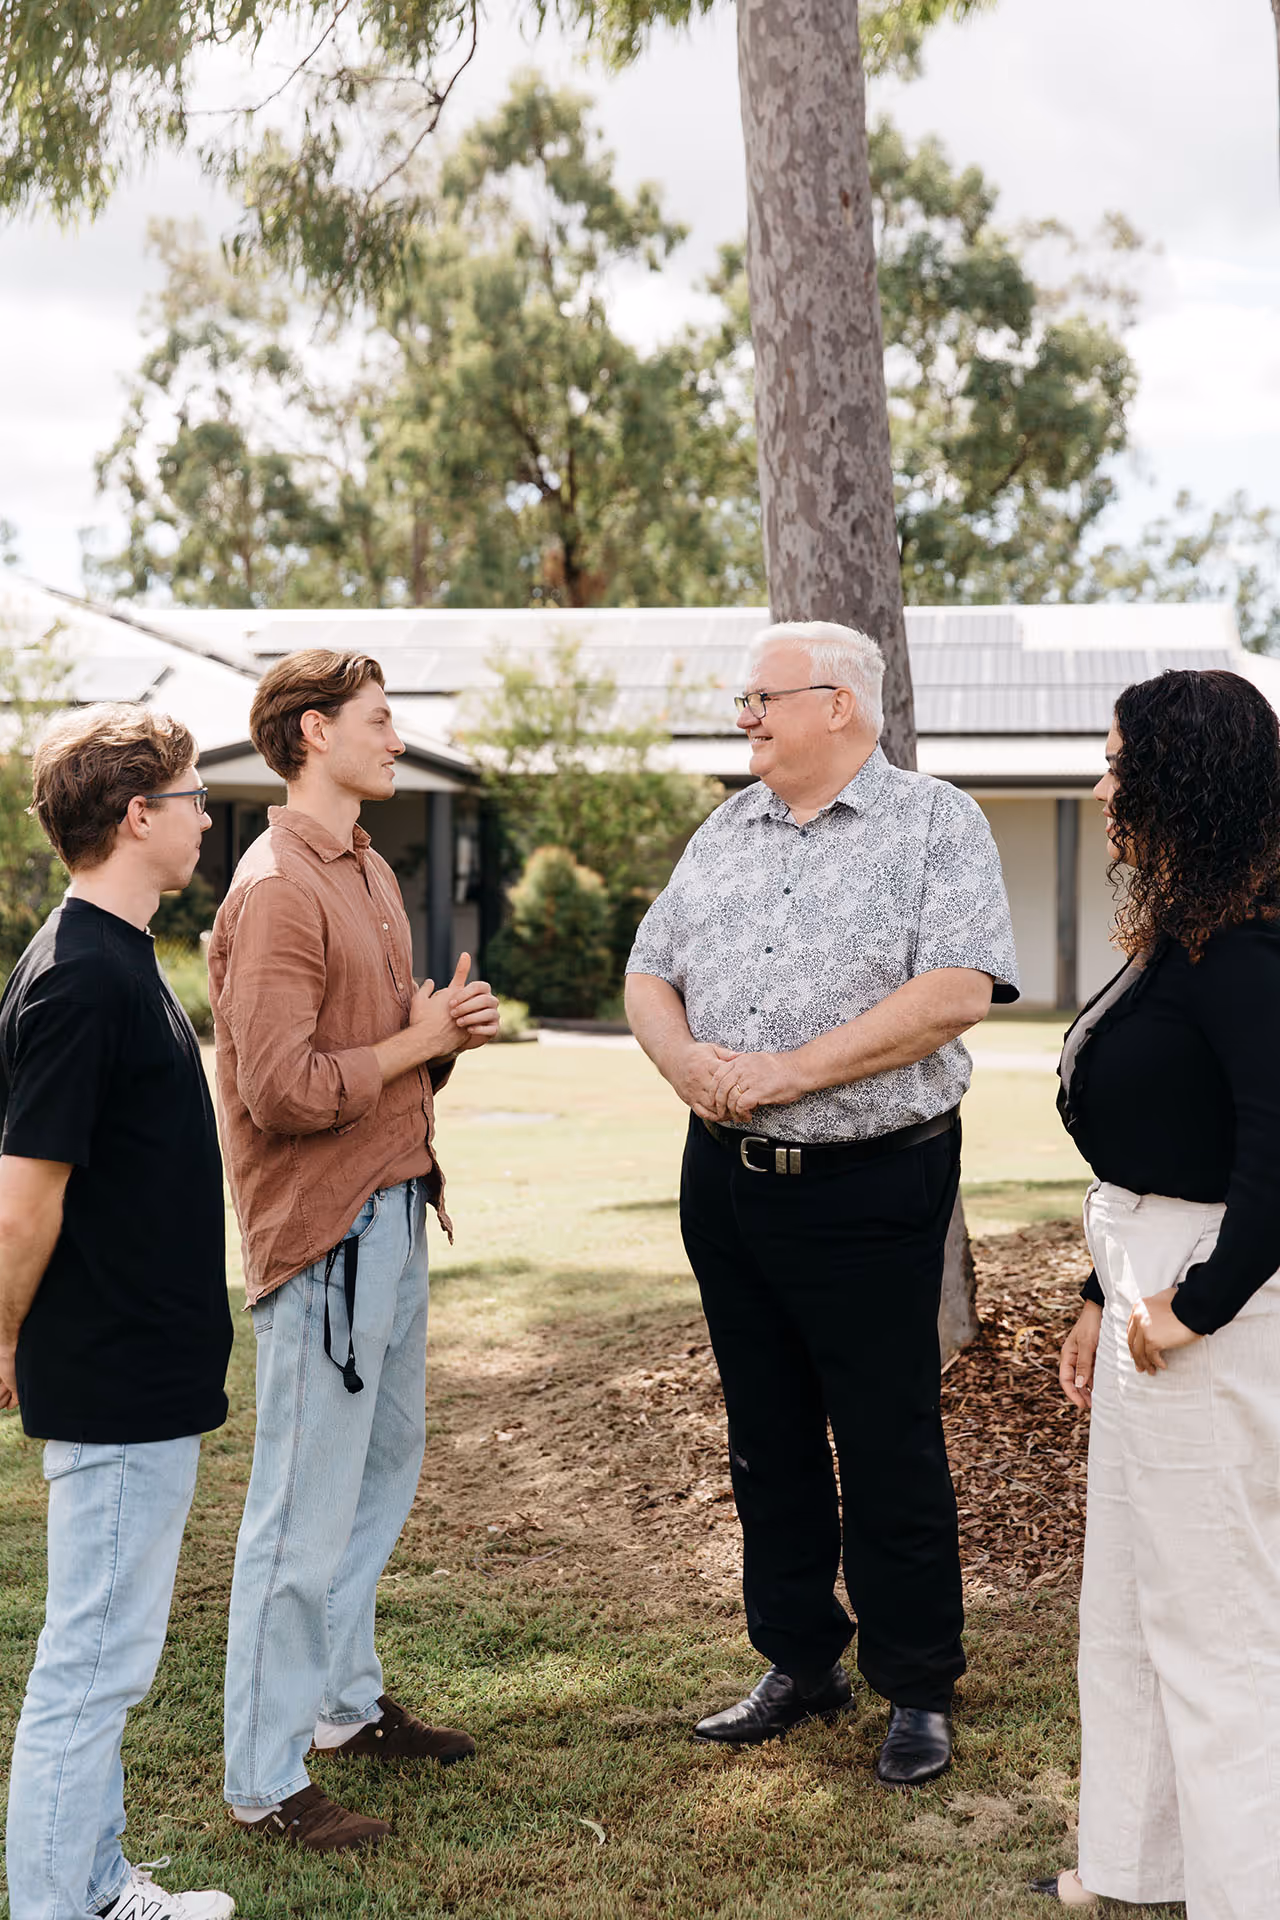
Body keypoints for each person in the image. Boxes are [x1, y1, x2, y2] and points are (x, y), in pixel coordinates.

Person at [625, 619, 1018, 1786]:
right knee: (766, 1436)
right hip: (727, 1185)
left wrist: (788, 1073)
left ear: (837, 703)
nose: (742, 714)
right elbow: (650, 970)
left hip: (871, 1185)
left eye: (760, 697)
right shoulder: (723, 828)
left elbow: (954, 992)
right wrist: (687, 1065)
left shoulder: (935, 821)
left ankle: (916, 1684)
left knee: (885, 1435)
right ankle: (799, 1660)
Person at [211, 649, 500, 1853]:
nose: (397, 739)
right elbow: (279, 1090)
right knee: (298, 1514)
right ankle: (265, 1782)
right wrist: (411, 1042)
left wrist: (439, 1040)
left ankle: (340, 1709)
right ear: (315, 733)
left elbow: (372, 1055)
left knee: (375, 1482)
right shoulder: (277, 887)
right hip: (324, 1237)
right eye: (381, 722)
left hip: (392, 1211)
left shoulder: (368, 867)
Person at [1035, 669, 1280, 1915]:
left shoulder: (1246, 948)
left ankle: (1248, 1888)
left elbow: (1272, 1149)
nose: (1099, 785)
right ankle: (1138, 1866)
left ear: (1181, 778)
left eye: (1119, 762)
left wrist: (1196, 1302)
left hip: (1212, 1314)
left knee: (1215, 1616)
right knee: (1132, 1601)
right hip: (1146, 1282)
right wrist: (1097, 1285)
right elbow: (1160, 1134)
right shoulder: (1189, 926)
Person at [2, 705, 235, 1920]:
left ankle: (93, 1884)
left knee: (111, 1660)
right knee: (89, 1666)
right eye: (192, 796)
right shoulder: (80, 978)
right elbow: (25, 1197)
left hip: (149, 1366)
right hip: (109, 1373)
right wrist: (1, 1336)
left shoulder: (118, 953)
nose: (205, 815)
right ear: (139, 816)